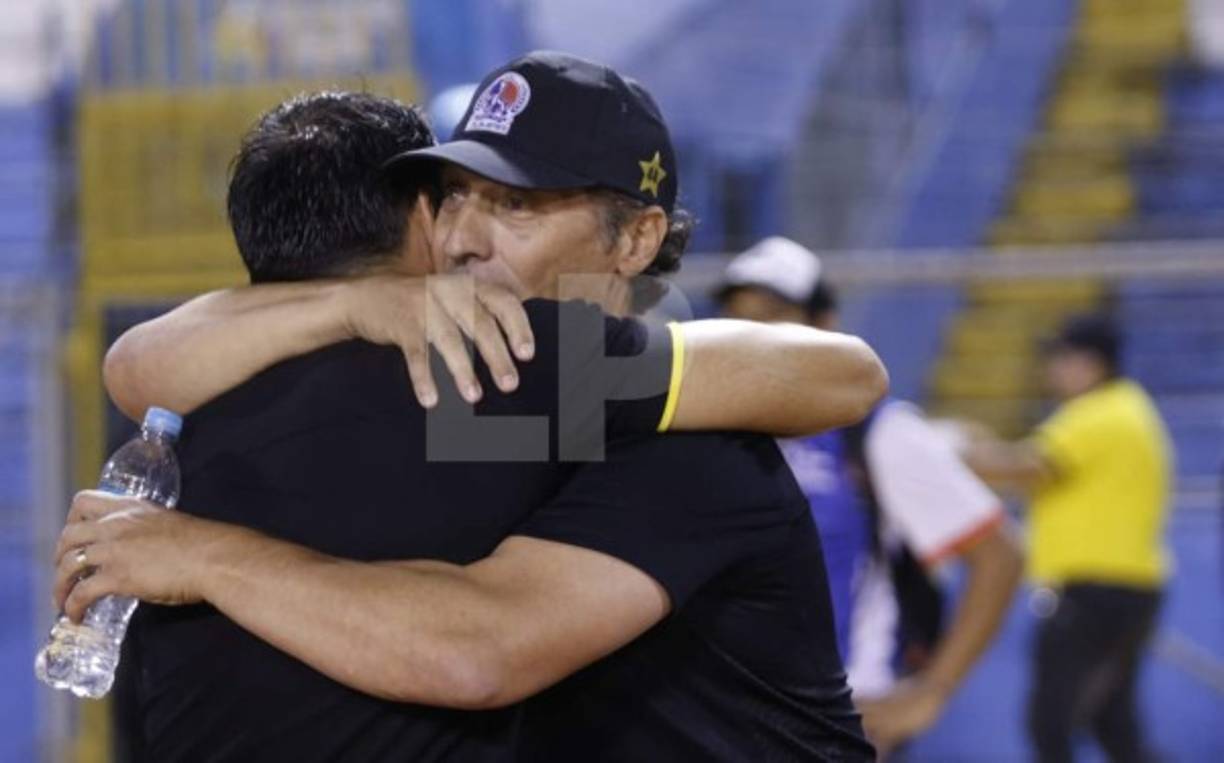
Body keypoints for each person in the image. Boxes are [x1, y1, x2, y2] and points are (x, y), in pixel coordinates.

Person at [57, 54, 881, 761]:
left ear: (635, 239)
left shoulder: (672, 429)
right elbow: (140, 365)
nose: (464, 238)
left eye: (516, 205)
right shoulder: (482, 392)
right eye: (456, 195)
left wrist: (202, 556)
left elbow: (480, 647)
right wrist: (351, 306)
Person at [716, 236, 1023, 757]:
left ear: (825, 325)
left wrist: (930, 692)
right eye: (739, 320)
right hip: (727, 720)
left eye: (774, 315)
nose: (754, 336)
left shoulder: (877, 433)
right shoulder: (711, 433)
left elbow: (1000, 556)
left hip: (836, 720)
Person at [962, 314, 1171, 763]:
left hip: (1094, 593)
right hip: (1124, 590)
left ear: (1091, 364)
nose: (1051, 369)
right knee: (1113, 725)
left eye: (1061, 358)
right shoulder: (1124, 409)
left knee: (1050, 722)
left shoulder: (1100, 412)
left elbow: (1026, 467)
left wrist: (948, 451)